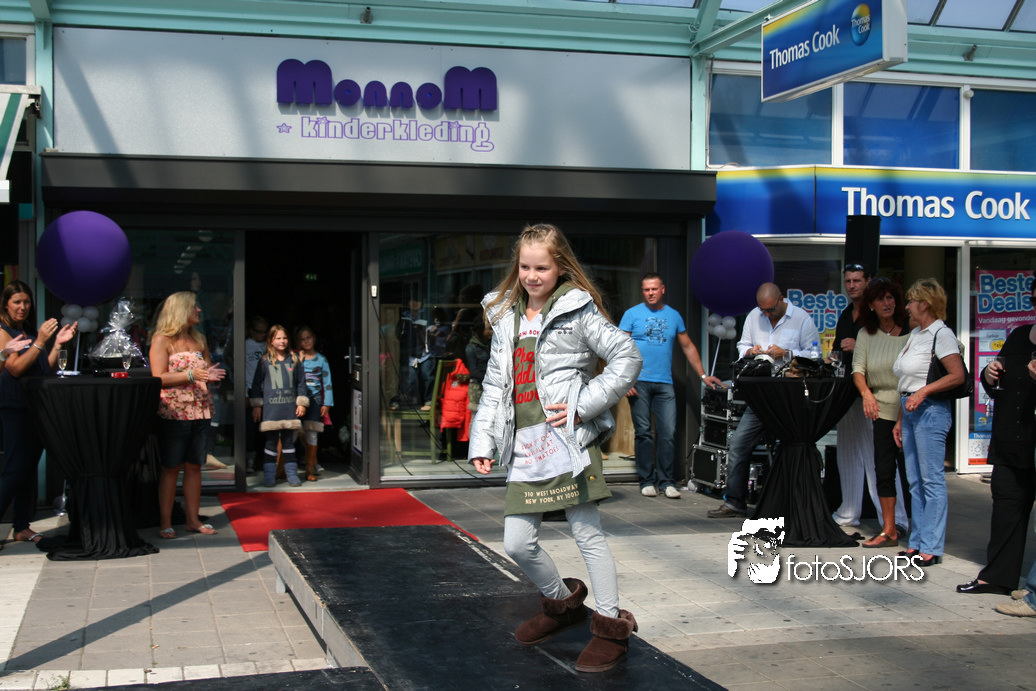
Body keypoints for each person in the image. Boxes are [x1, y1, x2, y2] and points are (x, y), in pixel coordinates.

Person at [468, 223, 642, 673]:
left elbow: (627, 356)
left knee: (587, 534)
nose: (531, 275)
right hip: (525, 448)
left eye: (541, 268)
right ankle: (563, 606)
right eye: (525, 267)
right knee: (516, 543)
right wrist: (482, 441)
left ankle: (610, 625)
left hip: (568, 443)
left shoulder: (578, 309)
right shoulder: (504, 314)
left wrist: (584, 406)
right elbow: (495, 385)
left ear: (560, 266)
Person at [708, 282, 820, 519]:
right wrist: (751, 351)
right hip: (761, 393)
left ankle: (786, 502)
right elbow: (742, 346)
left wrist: (787, 353)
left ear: (781, 299)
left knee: (786, 447)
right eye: (763, 310)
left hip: (789, 394)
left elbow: (815, 356)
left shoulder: (802, 319)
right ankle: (735, 502)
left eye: (771, 309)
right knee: (739, 444)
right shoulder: (753, 316)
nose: (767, 314)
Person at [957, 279, 1036, 596]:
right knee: (1006, 510)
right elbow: (999, 378)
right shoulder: (1019, 335)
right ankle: (998, 578)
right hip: (1010, 441)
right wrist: (989, 374)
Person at [619, 272, 722, 499]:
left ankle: (666, 482)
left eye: (654, 289)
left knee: (668, 433)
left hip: (664, 383)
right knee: (644, 433)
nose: (650, 293)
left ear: (662, 289)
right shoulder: (631, 314)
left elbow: (688, 347)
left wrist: (703, 375)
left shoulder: (674, 316)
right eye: (646, 290)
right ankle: (647, 481)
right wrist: (624, 381)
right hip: (638, 381)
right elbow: (618, 348)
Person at [892, 278, 966, 567]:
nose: (907, 306)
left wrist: (924, 392)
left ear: (925, 304)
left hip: (930, 410)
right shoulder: (916, 334)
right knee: (914, 480)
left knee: (931, 480)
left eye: (912, 301)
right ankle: (917, 542)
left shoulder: (941, 334)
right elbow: (906, 381)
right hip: (909, 408)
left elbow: (957, 375)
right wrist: (900, 420)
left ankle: (931, 546)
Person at [0, 281, 76, 548]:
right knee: (14, 470)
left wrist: (56, 345)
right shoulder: (3, 332)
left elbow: (45, 368)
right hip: (15, 408)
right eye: (16, 302)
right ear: (6, 304)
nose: (22, 307)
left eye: (26, 302)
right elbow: (15, 368)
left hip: (35, 407)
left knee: (28, 470)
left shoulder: (27, 332)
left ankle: (21, 526)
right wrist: (41, 341)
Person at [149, 291, 225, 539]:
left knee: (194, 466)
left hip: (201, 409)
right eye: (194, 307)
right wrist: (191, 375)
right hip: (174, 412)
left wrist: (210, 375)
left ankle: (193, 520)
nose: (199, 310)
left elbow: (205, 371)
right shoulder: (162, 340)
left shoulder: (199, 339)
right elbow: (158, 377)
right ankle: (165, 523)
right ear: (180, 310)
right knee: (171, 467)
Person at [852, 278, 911, 548]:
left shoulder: (912, 330)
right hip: (882, 409)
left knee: (916, 472)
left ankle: (923, 533)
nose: (886, 303)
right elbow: (858, 370)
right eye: (880, 299)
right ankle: (889, 530)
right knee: (884, 470)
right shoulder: (866, 334)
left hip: (912, 406)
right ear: (871, 305)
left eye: (890, 297)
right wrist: (867, 394)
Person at [830, 262, 880, 528]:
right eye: (848, 281)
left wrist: (859, 345)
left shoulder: (878, 311)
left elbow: (892, 346)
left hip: (873, 391)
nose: (851, 286)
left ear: (868, 281)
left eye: (857, 280)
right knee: (847, 452)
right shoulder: (846, 314)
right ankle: (848, 512)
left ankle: (892, 520)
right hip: (847, 390)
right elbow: (838, 349)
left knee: (876, 457)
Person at [250, 325, 309, 487]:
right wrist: (257, 405)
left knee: (289, 443)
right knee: (271, 444)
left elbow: (301, 383)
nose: (282, 341)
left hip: (289, 409)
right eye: (278, 338)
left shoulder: (294, 359)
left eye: (284, 338)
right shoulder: (265, 361)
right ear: (270, 340)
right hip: (272, 410)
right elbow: (256, 384)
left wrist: (301, 403)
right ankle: (269, 475)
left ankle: (292, 475)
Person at [295, 325, 333, 482]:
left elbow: (327, 382)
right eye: (302, 339)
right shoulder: (295, 358)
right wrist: (299, 361)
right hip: (297, 400)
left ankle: (310, 468)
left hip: (315, 399)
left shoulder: (321, 359)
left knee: (312, 433)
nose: (306, 341)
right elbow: (290, 377)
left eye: (308, 338)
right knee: (293, 432)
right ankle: (285, 467)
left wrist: (327, 403)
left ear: (314, 338)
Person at [243, 316, 268, 473]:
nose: (262, 335)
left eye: (265, 332)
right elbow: (241, 370)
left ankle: (266, 460)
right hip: (251, 390)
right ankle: (250, 460)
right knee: (250, 428)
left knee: (267, 428)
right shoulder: (245, 346)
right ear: (251, 330)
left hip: (268, 390)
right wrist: (245, 393)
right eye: (259, 331)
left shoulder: (268, 346)